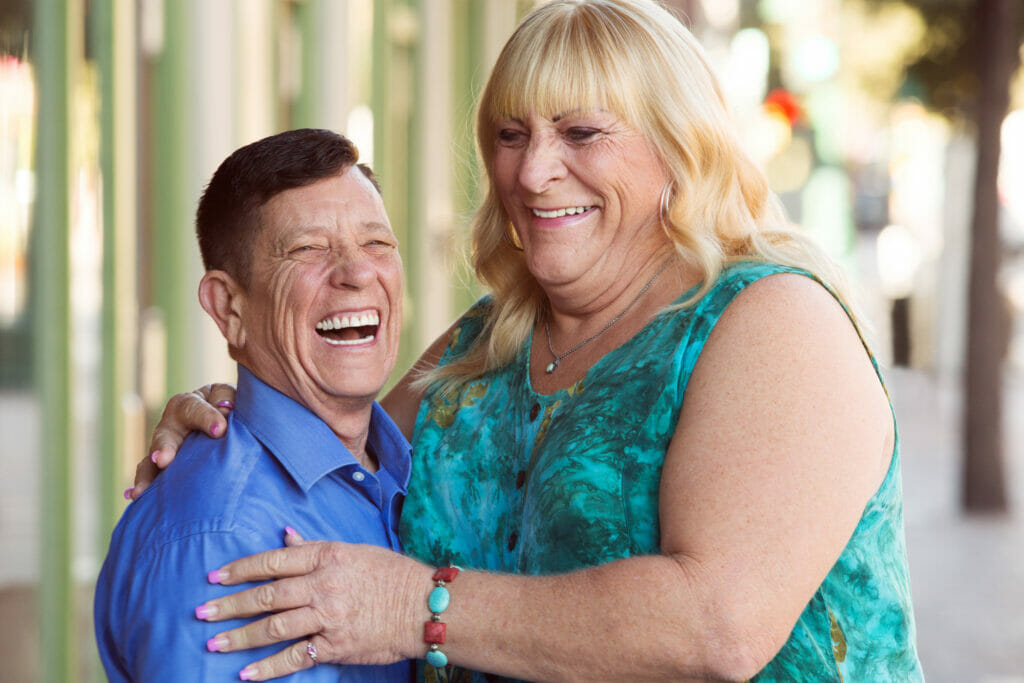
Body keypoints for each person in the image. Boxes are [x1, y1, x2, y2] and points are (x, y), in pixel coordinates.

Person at [132, 1, 924, 680]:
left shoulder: (773, 318)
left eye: (580, 132)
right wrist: (229, 416)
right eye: (512, 134)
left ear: (679, 149)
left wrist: (419, 606)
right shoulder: (487, 338)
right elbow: (335, 454)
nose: (535, 170)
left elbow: (717, 625)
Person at [95, 128, 413, 682]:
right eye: (308, 249)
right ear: (228, 306)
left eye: (377, 243)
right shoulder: (220, 540)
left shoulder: (404, 462)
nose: (358, 273)